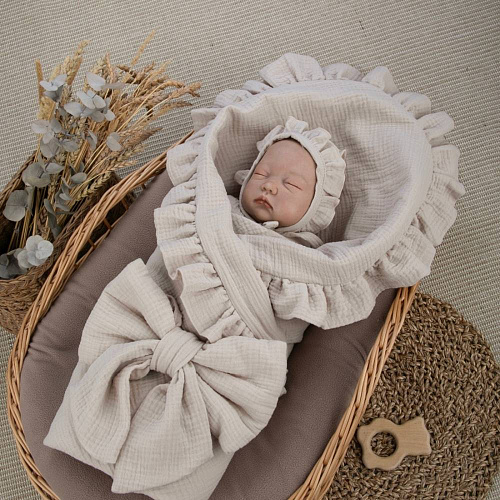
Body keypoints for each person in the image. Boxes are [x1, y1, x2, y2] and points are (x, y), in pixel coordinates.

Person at [231, 115, 347, 248]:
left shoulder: (305, 249)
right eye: (261, 174)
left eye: (291, 184)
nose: (268, 185)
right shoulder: (221, 206)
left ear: (315, 206)